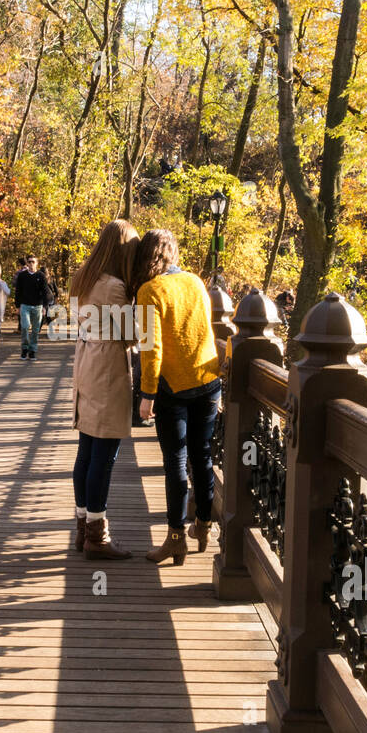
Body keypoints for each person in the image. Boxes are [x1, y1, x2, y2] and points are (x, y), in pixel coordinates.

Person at [134, 229, 222, 566]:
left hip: (173, 388)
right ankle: (203, 525)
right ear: (173, 252)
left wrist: (147, 394)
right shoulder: (196, 282)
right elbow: (205, 331)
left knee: (175, 461)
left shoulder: (148, 291)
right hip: (208, 379)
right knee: (202, 457)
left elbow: (150, 348)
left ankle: (175, 539)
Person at [70, 220, 140, 560]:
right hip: (107, 368)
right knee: (105, 454)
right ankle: (97, 536)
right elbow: (135, 336)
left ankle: (83, 525)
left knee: (87, 448)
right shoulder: (115, 287)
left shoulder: (83, 277)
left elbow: (77, 318)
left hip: (86, 361)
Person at [14, 254, 49, 359]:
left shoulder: (41, 276)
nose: (31, 264)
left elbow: (45, 292)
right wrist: (17, 306)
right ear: (27, 263)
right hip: (25, 305)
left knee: (35, 330)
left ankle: (32, 350)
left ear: (37, 263)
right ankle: (24, 348)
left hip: (38, 306)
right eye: (29, 262)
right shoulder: (22, 275)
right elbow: (18, 291)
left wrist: (44, 306)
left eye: (33, 261)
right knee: (24, 327)